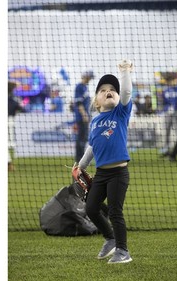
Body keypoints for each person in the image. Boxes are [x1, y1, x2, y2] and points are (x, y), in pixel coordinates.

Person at [72, 60, 134, 264]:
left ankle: (123, 251)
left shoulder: (121, 112)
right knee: (91, 208)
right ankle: (110, 239)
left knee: (115, 211)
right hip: (101, 174)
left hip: (118, 173)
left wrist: (125, 73)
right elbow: (92, 146)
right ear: (96, 102)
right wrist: (80, 166)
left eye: (112, 90)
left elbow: (125, 93)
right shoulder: (96, 121)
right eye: (103, 90)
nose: (109, 91)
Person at [74, 70, 94, 162]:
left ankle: (81, 158)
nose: (89, 79)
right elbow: (79, 103)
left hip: (85, 116)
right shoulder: (79, 87)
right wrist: (84, 115)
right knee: (81, 138)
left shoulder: (85, 87)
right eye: (89, 77)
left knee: (84, 138)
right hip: (81, 117)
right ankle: (79, 158)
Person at [160, 75, 177, 156]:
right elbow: (163, 102)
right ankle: (166, 149)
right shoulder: (165, 90)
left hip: (176, 111)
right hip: (167, 112)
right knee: (167, 131)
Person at [8, 81, 24, 171]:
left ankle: (9, 163)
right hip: (10, 122)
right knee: (10, 143)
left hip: (11, 121)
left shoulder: (12, 99)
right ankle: (9, 164)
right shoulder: (12, 100)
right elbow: (21, 109)